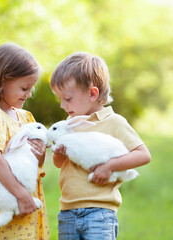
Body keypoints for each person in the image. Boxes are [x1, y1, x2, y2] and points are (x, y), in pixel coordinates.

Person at [50, 52, 151, 240]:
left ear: (92, 94)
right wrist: (59, 154)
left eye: (68, 99)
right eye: (60, 99)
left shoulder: (114, 122)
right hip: (67, 212)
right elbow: (59, 164)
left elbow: (143, 155)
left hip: (99, 212)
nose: (63, 105)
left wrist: (109, 166)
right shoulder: (69, 124)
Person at [0, 43, 49, 239]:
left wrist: (41, 154)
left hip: (28, 198)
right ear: (3, 80)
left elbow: (37, 163)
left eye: (31, 88)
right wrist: (21, 195)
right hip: (9, 196)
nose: (29, 94)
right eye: (24, 88)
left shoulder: (26, 117)